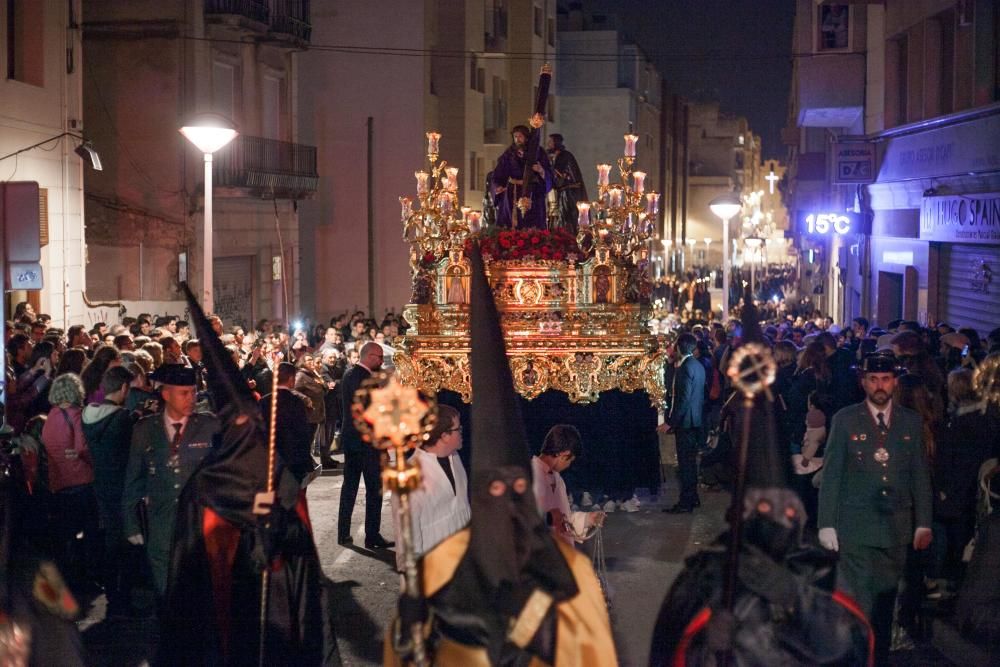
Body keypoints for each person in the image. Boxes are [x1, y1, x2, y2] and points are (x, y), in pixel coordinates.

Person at [387, 243, 617, 665]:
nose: (509, 503)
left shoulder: (567, 577)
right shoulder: (437, 591)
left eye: (517, 489)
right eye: (496, 488)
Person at [817, 352, 933, 664]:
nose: (879, 385)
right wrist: (826, 523)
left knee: (884, 606)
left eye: (885, 379)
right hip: (855, 529)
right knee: (856, 605)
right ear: (863, 382)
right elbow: (832, 476)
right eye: (873, 379)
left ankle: (876, 658)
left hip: (896, 530)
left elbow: (919, 476)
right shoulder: (845, 419)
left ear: (894, 382)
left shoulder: (910, 421)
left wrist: (924, 522)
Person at [121, 364, 220, 596]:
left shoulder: (209, 426)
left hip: (199, 527)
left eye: (194, 392)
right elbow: (134, 479)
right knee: (166, 595)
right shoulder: (145, 430)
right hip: (162, 526)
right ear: (166, 394)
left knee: (199, 597)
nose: (191, 398)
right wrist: (131, 524)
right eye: (183, 393)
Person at [82, 365, 136, 617]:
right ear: (124, 387)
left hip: (100, 483)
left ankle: (112, 593)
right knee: (122, 544)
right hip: (122, 486)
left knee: (109, 542)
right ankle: (120, 599)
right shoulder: (123, 418)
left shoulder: (87, 414)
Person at [337, 342, 393, 549]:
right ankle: (372, 535)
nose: (381, 361)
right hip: (367, 443)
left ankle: (343, 533)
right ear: (369, 356)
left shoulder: (349, 375)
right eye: (379, 357)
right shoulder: (364, 378)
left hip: (352, 440)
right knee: (374, 488)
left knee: (349, 487)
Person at [401, 404, 469, 566]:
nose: (461, 433)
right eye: (458, 429)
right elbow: (410, 534)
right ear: (444, 435)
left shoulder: (455, 458)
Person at [660, 332, 706, 513]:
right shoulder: (698, 366)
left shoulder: (685, 368)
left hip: (686, 423)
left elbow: (683, 399)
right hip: (695, 421)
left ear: (679, 347)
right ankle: (692, 497)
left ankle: (686, 502)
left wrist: (671, 422)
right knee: (690, 463)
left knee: (686, 465)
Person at [260, 362, 318, 485]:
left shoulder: (263, 401)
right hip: (293, 460)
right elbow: (302, 433)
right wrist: (307, 462)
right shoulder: (296, 402)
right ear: (291, 379)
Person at [491, 123, 553, 229]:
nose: (517, 139)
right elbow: (498, 173)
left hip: (533, 192)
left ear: (526, 137)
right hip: (513, 192)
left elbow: (549, 173)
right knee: (512, 221)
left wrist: (541, 170)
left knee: (533, 222)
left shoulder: (538, 152)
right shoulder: (509, 154)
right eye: (515, 137)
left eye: (520, 136)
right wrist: (497, 186)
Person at [531, 424, 582, 545]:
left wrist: (588, 519)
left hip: (559, 555)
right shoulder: (531, 474)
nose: (569, 465)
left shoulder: (557, 479)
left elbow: (564, 518)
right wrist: (549, 518)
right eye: (570, 460)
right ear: (564, 454)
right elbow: (522, 518)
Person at [547, 133, 588, 233]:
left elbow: (560, 174)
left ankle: (571, 236)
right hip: (563, 192)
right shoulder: (557, 156)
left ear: (556, 143)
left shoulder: (564, 155)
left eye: (550, 142)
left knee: (568, 217)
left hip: (570, 193)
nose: (548, 144)